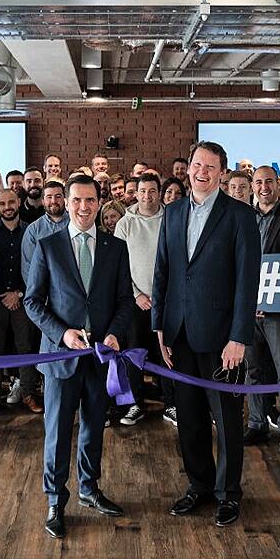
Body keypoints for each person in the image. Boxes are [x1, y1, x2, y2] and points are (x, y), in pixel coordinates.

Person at [152, 140, 261, 528]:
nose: (201, 171)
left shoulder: (239, 215)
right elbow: (163, 270)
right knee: (191, 417)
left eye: (210, 167)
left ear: (222, 173)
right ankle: (198, 485)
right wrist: (160, 326)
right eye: (197, 164)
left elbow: (248, 281)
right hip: (178, 332)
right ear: (189, 168)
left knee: (227, 419)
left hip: (222, 339)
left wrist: (239, 337)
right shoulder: (174, 211)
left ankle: (229, 493)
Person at [24, 174, 133, 539]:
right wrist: (62, 333)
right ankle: (56, 500)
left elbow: (124, 301)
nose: (84, 207)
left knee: (94, 428)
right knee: (56, 432)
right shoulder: (48, 245)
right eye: (77, 201)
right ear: (66, 203)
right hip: (60, 357)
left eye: (90, 200)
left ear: (99, 202)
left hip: (101, 358)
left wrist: (116, 332)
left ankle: (90, 489)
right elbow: (33, 302)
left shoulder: (116, 248)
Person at [243, 166, 280, 453]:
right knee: (253, 369)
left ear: (278, 185)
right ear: (252, 186)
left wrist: (274, 300)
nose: (264, 187)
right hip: (246, 309)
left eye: (269, 182)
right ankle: (257, 424)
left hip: (278, 310)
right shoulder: (242, 217)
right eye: (258, 182)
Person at [0, 189, 42, 415]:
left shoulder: (31, 231)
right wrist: (3, 294)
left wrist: (20, 293)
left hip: (25, 299)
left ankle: (28, 394)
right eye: (2, 203)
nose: (7, 207)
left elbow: (37, 266)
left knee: (25, 346)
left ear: (19, 202)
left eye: (11, 202)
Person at [113, 172, 169, 426]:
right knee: (133, 353)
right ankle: (135, 404)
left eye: (152, 191)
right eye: (142, 191)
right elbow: (119, 266)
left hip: (165, 301)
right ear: (136, 193)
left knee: (167, 352)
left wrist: (162, 296)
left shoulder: (170, 218)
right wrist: (136, 295)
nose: (147, 196)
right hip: (136, 301)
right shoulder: (125, 223)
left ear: (159, 193)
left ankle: (172, 403)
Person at [21, 180, 70, 282]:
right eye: (49, 197)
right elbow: (28, 268)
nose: (53, 201)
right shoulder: (33, 230)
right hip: (44, 293)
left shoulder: (76, 225)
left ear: (65, 199)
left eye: (58, 196)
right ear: (43, 201)